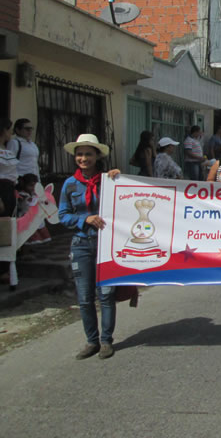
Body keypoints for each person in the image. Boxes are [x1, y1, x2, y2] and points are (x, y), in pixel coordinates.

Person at [58, 133, 121, 360]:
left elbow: (124, 204)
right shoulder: (69, 184)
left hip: (106, 244)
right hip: (81, 244)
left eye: (88, 154)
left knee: (106, 295)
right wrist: (83, 219)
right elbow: (62, 215)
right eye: (80, 154)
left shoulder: (109, 181)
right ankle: (91, 341)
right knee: (85, 297)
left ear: (97, 156)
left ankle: (106, 341)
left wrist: (119, 178)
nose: (83, 158)